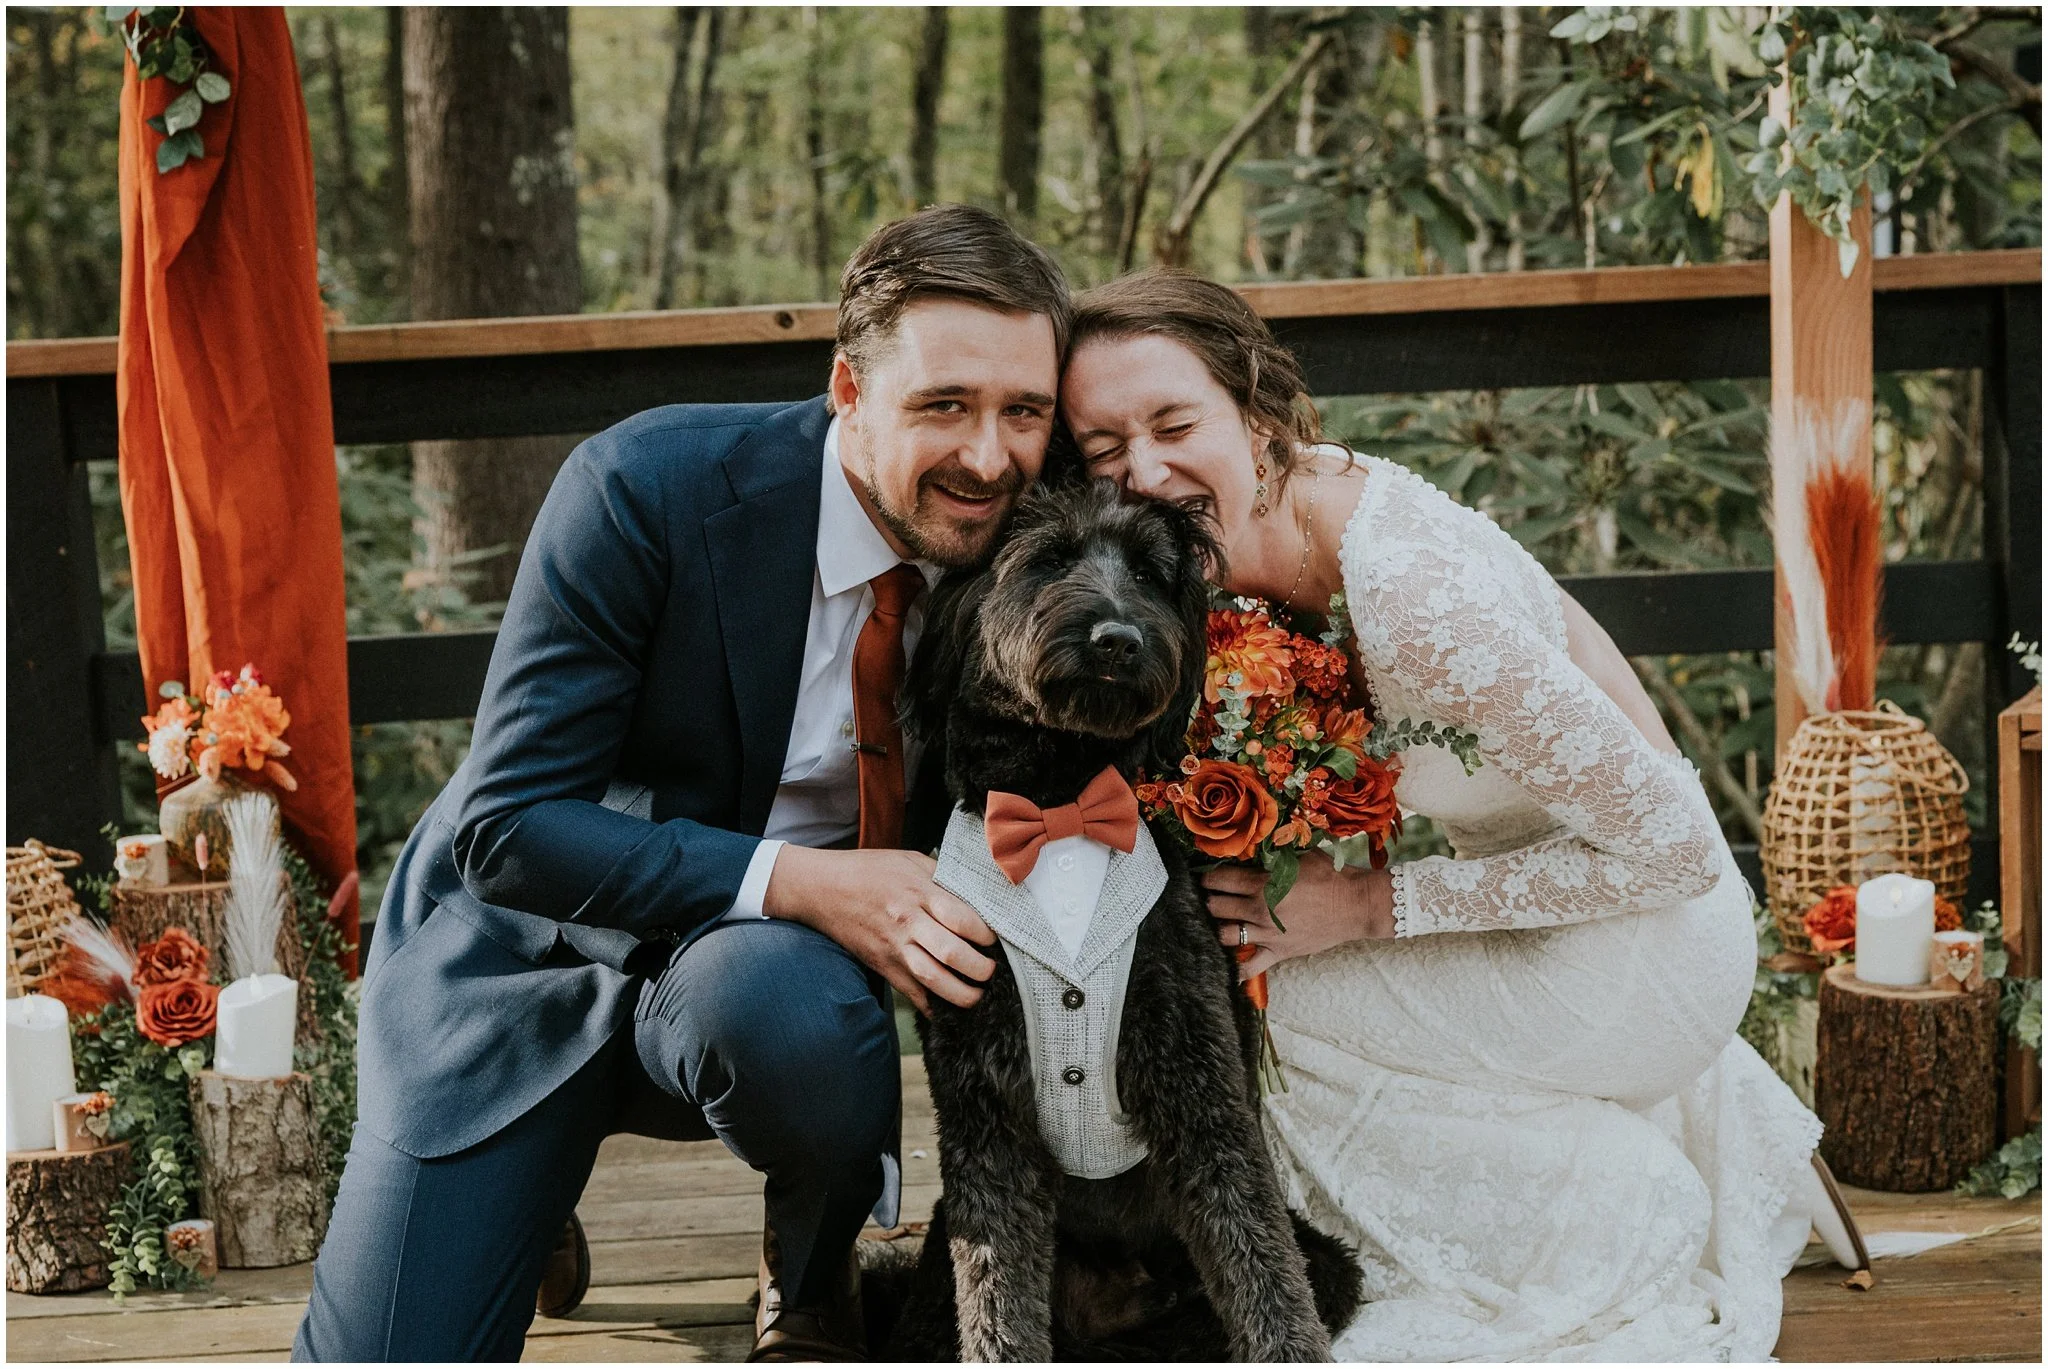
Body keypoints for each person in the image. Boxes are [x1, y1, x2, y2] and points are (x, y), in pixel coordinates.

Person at [293, 204, 1070, 1363]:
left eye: (1025, 411)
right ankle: (525, 1188)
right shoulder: (641, 486)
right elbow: (506, 829)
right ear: (847, 391)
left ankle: (808, 1266)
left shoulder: (1032, 544)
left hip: (761, 991)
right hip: (521, 957)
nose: (990, 454)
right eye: (944, 404)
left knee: (793, 1018)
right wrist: (802, 879)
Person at [1057, 270, 1863, 1361]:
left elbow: (1674, 848)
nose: (1142, 472)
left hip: (1642, 943)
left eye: (1171, 422)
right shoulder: (1288, 508)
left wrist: (1368, 903)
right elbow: (1567, 630)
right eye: (1103, 447)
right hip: (1550, 895)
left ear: (1252, 411)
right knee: (1229, 963)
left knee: (1256, 1002)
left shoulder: (1407, 595)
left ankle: (1596, 1202)